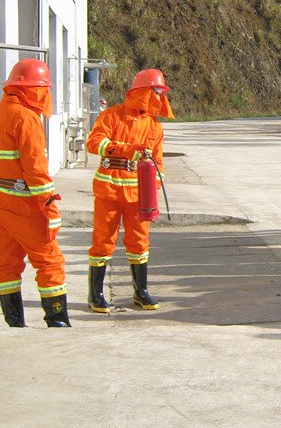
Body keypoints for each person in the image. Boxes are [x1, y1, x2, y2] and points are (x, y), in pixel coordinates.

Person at [86, 69, 175, 313]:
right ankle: (95, 294)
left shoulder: (154, 127)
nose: (159, 97)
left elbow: (158, 163)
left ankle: (140, 292)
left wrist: (154, 192)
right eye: (155, 92)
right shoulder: (111, 115)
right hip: (109, 191)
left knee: (139, 242)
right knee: (103, 243)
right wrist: (127, 150)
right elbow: (94, 144)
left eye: (161, 93)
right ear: (142, 92)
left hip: (139, 195)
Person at [0, 59, 70, 327]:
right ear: (31, 90)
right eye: (42, 89)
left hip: (3, 202)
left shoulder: (3, 110)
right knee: (50, 261)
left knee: (6, 263)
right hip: (25, 205)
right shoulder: (26, 118)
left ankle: (14, 322)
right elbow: (36, 171)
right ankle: (57, 321)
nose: (45, 95)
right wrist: (49, 208)